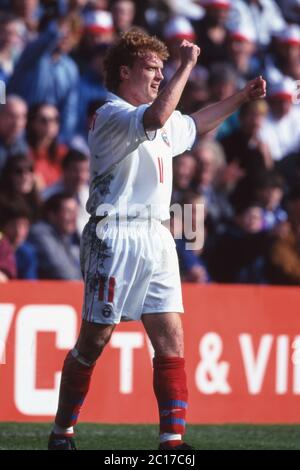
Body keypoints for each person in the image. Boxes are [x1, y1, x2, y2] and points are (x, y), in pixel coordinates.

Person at [48, 28, 266, 451]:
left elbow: (194, 124)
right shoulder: (112, 114)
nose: (159, 77)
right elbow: (158, 118)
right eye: (152, 68)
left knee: (170, 337)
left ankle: (172, 442)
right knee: (94, 339)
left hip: (157, 235)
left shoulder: (159, 118)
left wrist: (240, 97)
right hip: (115, 234)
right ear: (124, 71)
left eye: (163, 70)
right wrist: (186, 67)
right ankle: (62, 432)